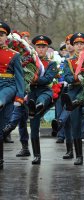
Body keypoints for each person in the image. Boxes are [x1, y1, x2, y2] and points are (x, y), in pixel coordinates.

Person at [28, 35, 58, 165]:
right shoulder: (29, 62)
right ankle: (37, 156)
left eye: (43, 47)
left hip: (44, 90)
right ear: (35, 48)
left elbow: (48, 79)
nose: (41, 49)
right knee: (34, 126)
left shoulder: (51, 63)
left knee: (43, 99)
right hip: (31, 93)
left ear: (47, 49)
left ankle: (38, 105)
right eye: (39, 47)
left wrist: (35, 79)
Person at [62, 32, 84, 165]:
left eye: (82, 44)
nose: (79, 46)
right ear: (73, 46)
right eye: (77, 44)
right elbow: (67, 77)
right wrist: (76, 77)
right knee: (75, 123)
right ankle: (79, 155)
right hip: (74, 90)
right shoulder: (69, 61)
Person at [0, 21, 25, 169]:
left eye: (1, 34)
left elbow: (20, 78)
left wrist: (20, 97)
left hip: (7, 86)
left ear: (6, 37)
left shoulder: (14, 55)